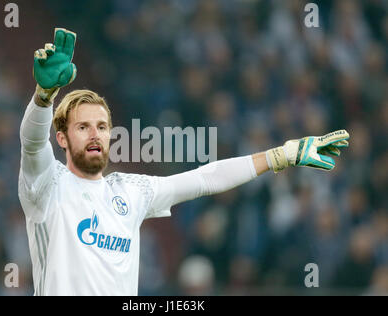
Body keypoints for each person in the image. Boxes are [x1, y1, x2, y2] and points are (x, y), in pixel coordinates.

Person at [18, 28, 350, 296]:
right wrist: (44, 97)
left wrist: (282, 156)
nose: (95, 134)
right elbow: (32, 144)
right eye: (82, 127)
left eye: (102, 127)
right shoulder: (48, 186)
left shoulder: (131, 191)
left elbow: (206, 178)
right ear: (61, 138)